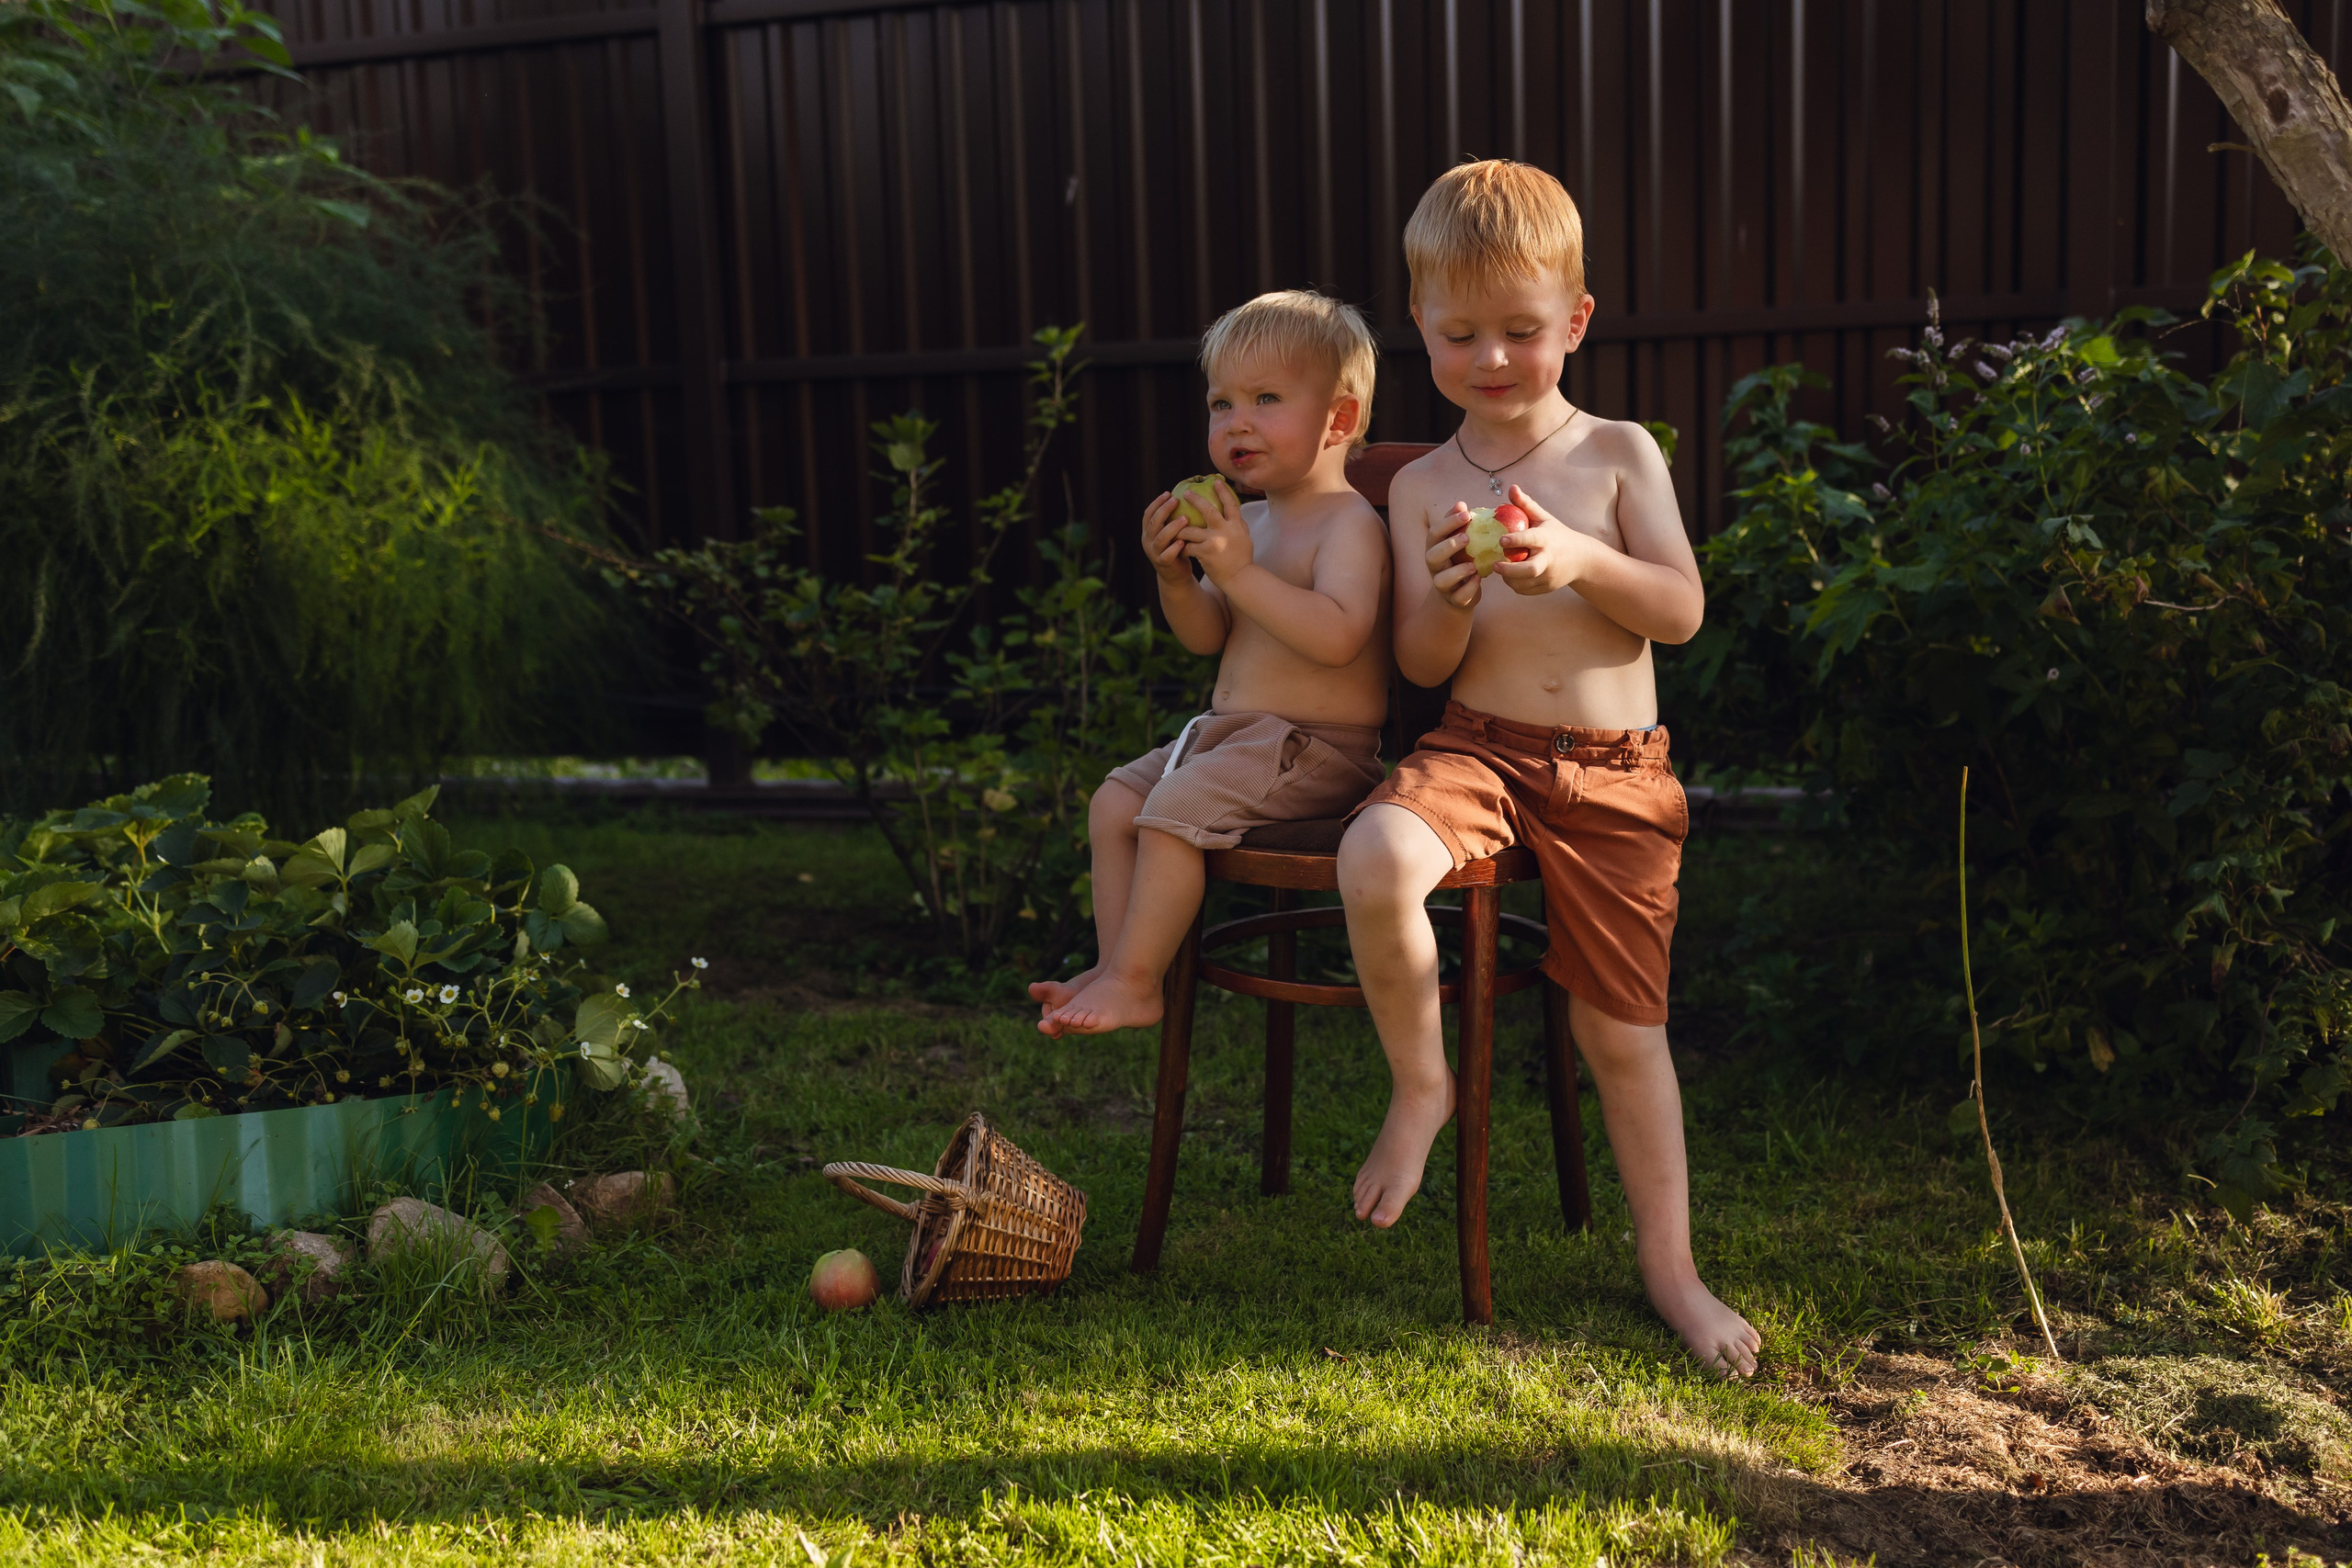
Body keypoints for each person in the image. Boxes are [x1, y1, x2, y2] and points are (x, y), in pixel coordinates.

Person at [1334, 160, 1760, 1377]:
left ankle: (1671, 1268)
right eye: (1460, 333)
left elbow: (1676, 610)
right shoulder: (1420, 485)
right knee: (1375, 853)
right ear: (1419, 326)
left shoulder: (1617, 454)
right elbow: (1420, 655)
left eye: (1522, 330)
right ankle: (1424, 1084)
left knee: (1620, 1031)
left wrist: (1577, 558)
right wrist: (1456, 596)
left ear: (1575, 319)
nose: (1493, 358)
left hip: (1613, 772)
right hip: (1477, 748)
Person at [1033, 289, 1394, 1037]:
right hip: (1231, 739)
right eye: (1221, 403)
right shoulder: (1246, 522)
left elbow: (1337, 636)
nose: (1237, 422)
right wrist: (1178, 579)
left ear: (1340, 419)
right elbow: (1207, 637)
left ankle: (1138, 983)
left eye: (1266, 398)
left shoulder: (1350, 523)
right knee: (1114, 804)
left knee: (1173, 814)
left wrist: (1233, 573)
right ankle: (1113, 962)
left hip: (1313, 748)